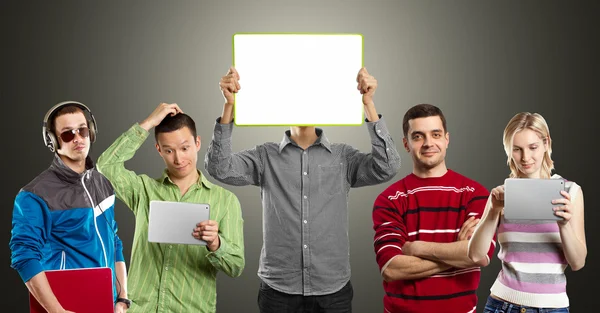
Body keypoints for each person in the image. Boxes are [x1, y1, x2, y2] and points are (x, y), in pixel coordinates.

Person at [205, 66, 401, 313]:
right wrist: (229, 106)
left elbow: (388, 166)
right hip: (278, 290)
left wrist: (369, 104)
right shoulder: (266, 156)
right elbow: (219, 168)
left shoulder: (343, 157)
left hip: (332, 289)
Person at [96, 103, 245, 313]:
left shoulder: (226, 200)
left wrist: (215, 242)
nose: (178, 159)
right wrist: (148, 124)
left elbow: (236, 266)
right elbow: (106, 167)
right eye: (169, 150)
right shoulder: (143, 190)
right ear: (159, 150)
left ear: (197, 143)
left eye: (185, 148)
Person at [371, 103, 494, 313]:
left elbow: (480, 255)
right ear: (406, 144)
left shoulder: (476, 194)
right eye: (418, 136)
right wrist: (458, 251)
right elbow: (391, 269)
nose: (428, 143)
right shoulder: (389, 199)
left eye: (435, 134)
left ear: (447, 139)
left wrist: (418, 248)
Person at [9, 101, 130, 313]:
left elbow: (115, 242)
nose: (77, 138)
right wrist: (57, 311)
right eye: (67, 134)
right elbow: (24, 256)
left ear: (91, 132)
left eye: (82, 130)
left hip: (107, 305)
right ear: (52, 141)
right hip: (66, 305)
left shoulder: (103, 184)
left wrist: (122, 299)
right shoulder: (34, 195)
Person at [468, 112, 586, 313]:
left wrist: (564, 225)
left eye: (533, 147)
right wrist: (493, 211)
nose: (525, 158)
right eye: (517, 149)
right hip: (503, 303)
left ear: (546, 143)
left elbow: (577, 263)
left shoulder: (570, 192)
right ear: (508, 151)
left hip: (553, 307)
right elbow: (475, 255)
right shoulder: (501, 195)